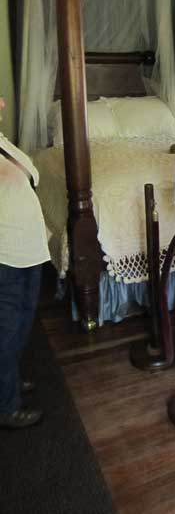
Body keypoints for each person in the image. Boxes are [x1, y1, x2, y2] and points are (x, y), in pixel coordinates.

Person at [0, 95, 50, 428]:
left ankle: (10, 381)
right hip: (7, 253)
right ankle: (6, 406)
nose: (2, 103)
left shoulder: (3, 142)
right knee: (7, 328)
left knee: (21, 322)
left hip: (27, 248)